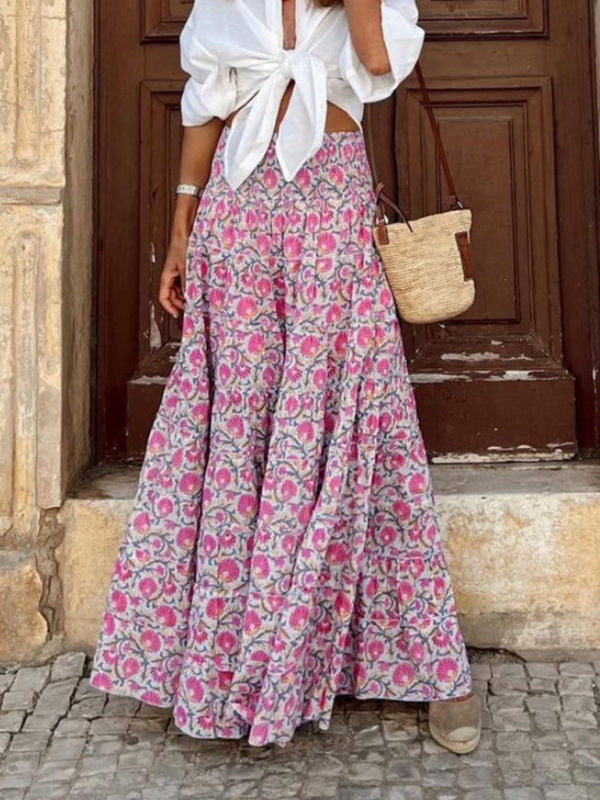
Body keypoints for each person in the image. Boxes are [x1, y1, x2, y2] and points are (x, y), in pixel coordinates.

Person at [90, 0, 481, 754]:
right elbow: (208, 103)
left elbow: (375, 62)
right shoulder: (223, 3)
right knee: (243, 427)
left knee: (362, 414)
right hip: (238, 213)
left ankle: (435, 667)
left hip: (332, 200)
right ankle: (236, 665)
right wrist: (180, 229)